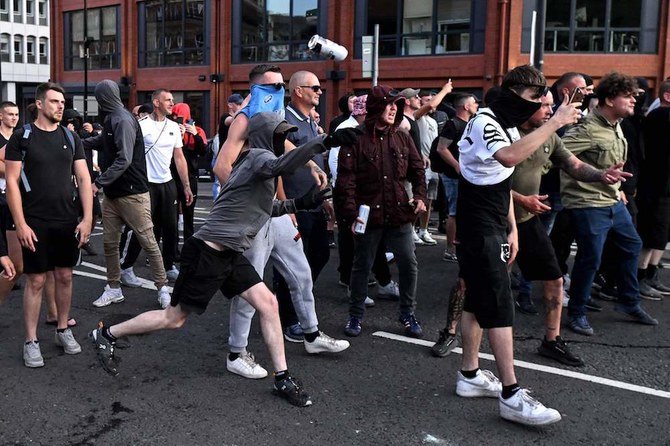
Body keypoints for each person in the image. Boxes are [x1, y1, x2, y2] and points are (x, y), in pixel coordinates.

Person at [90, 112, 327, 407]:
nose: (285, 141)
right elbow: (283, 164)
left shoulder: (256, 165)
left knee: (269, 303)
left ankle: (282, 378)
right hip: (207, 253)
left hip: (229, 253)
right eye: (281, 135)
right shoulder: (258, 158)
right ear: (267, 136)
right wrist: (324, 142)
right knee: (173, 319)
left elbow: (268, 207)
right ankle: (106, 334)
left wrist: (302, 203)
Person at [454, 65, 581, 426]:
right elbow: (508, 158)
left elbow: (502, 180)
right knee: (499, 305)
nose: (535, 106)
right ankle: (511, 395)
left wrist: (512, 227)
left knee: (479, 301)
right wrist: (554, 122)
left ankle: (469, 375)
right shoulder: (485, 122)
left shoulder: (505, 125)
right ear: (512, 94)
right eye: (530, 98)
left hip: (493, 223)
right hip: (478, 229)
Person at [511, 90, 631, 366]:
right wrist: (520, 198)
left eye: (552, 106)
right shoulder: (506, 134)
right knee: (476, 283)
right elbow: (489, 177)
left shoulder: (549, 136)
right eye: (544, 106)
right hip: (496, 219)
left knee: (555, 279)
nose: (550, 112)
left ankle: (551, 341)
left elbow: (574, 164)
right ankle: (452, 330)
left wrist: (602, 175)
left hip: (528, 220)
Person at [561, 72, 658, 336]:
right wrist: (594, 174)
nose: (633, 102)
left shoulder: (616, 125)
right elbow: (558, 153)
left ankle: (628, 302)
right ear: (609, 99)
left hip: (612, 199)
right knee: (590, 257)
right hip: (587, 202)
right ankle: (577, 312)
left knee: (632, 245)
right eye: (627, 96)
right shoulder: (588, 128)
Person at [5, 82, 93, 367]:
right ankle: (31, 340)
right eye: (54, 101)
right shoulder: (23, 137)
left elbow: (83, 179)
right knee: (37, 279)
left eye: (62, 102)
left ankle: (62, 329)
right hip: (35, 220)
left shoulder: (70, 136)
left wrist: (88, 218)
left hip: (66, 219)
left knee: (65, 276)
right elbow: (12, 183)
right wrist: (20, 223)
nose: (60, 106)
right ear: (40, 104)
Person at [337, 85, 427, 338]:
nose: (393, 109)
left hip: (399, 212)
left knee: (409, 264)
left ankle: (407, 313)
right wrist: (351, 213)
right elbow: (346, 181)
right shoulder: (355, 137)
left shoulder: (401, 136)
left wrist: (420, 196)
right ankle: (355, 316)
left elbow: (417, 170)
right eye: (389, 104)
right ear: (376, 108)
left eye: (396, 105)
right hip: (368, 215)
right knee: (361, 266)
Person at [83, 79, 170, 309]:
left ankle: (163, 288)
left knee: (149, 242)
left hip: (132, 194)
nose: (98, 101)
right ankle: (113, 288)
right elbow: (103, 141)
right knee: (110, 244)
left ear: (104, 97)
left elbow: (124, 159)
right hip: (114, 195)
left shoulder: (121, 119)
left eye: (99, 96)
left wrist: (97, 183)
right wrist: (77, 140)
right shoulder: (113, 118)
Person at [118, 89, 194, 285]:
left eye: (172, 99)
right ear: (156, 102)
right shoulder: (140, 126)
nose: (171, 103)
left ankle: (169, 266)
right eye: (167, 100)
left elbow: (179, 158)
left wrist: (186, 186)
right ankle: (126, 267)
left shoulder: (174, 127)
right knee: (141, 228)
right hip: (145, 183)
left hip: (167, 183)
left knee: (170, 227)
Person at [436, 93, 479, 261]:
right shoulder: (453, 124)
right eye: (474, 103)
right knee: (454, 212)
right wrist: (456, 165)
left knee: (463, 211)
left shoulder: (471, 124)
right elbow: (441, 148)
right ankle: (450, 250)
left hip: (466, 176)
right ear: (466, 106)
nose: (477, 105)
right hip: (453, 176)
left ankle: (460, 246)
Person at [637, 79, 670, 297]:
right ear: (667, 96)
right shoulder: (661, 116)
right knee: (651, 233)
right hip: (656, 187)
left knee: (662, 234)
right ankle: (641, 278)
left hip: (664, 187)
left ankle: (651, 274)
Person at [171, 102, 207, 242]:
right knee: (170, 217)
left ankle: (188, 249)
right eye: (175, 115)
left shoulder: (197, 130)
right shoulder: (170, 129)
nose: (177, 118)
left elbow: (203, 151)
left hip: (190, 177)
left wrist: (195, 135)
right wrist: (178, 135)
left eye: (179, 115)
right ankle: (172, 251)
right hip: (172, 177)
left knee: (188, 216)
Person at [0, 101, 24, 303]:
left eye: (16, 114)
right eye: (10, 114)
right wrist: (16, 167)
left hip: (14, 196)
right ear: (1, 116)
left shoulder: (18, 138)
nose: (14, 118)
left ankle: (10, 273)